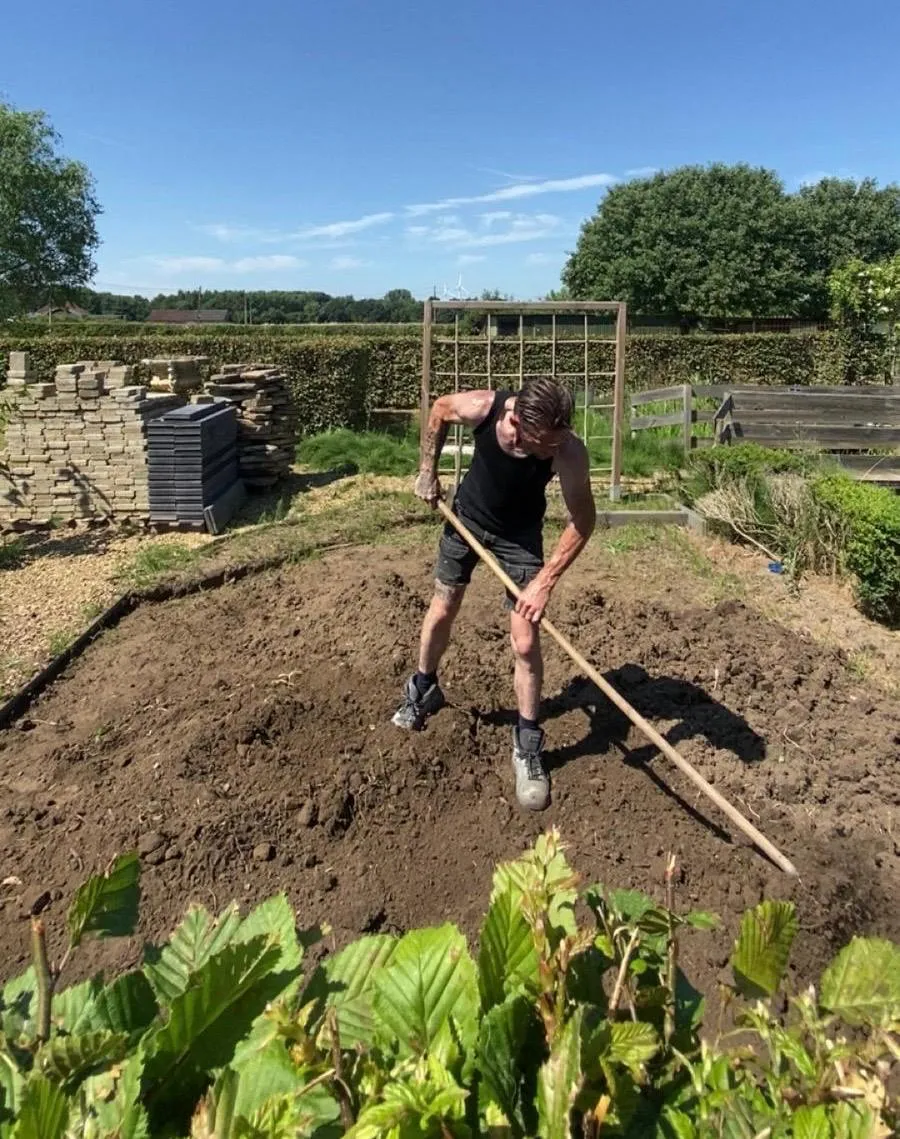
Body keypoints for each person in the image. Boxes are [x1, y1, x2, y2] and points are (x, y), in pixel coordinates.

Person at [391, 376, 597, 811]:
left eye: (555, 442)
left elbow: (583, 520)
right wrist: (427, 471)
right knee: (444, 606)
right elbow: (439, 410)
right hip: (465, 517)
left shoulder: (568, 450)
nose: (549, 452)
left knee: (525, 639)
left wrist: (543, 582)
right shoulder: (484, 408)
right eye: (542, 443)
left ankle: (526, 742)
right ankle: (423, 689)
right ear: (515, 421)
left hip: (520, 539)